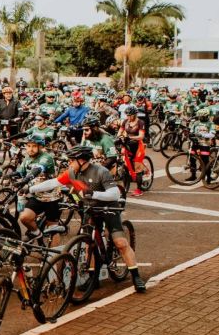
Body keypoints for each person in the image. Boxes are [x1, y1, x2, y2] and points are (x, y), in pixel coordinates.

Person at [32, 145, 146, 292]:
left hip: (108, 208)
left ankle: (136, 276)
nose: (69, 163)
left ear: (82, 160)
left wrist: (94, 194)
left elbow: (114, 194)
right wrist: (30, 189)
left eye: (72, 160)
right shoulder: (73, 172)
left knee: (120, 242)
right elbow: (54, 182)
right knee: (88, 244)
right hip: (90, 209)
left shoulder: (101, 171)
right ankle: (93, 278)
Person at [15, 134, 61, 242]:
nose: (30, 149)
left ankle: (55, 257)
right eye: (28, 146)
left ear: (40, 147)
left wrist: (26, 179)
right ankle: (37, 233)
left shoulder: (46, 157)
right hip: (36, 195)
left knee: (53, 229)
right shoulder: (27, 158)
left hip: (51, 197)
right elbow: (20, 172)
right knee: (24, 218)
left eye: (34, 146)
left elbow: (38, 169)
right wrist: (8, 176)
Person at [116, 106, 148, 197]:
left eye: (131, 115)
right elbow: (120, 132)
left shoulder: (140, 122)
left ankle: (139, 189)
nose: (129, 117)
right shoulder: (125, 121)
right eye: (127, 115)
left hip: (138, 145)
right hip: (127, 144)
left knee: (137, 168)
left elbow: (141, 136)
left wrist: (129, 137)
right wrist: (118, 138)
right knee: (127, 163)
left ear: (135, 114)